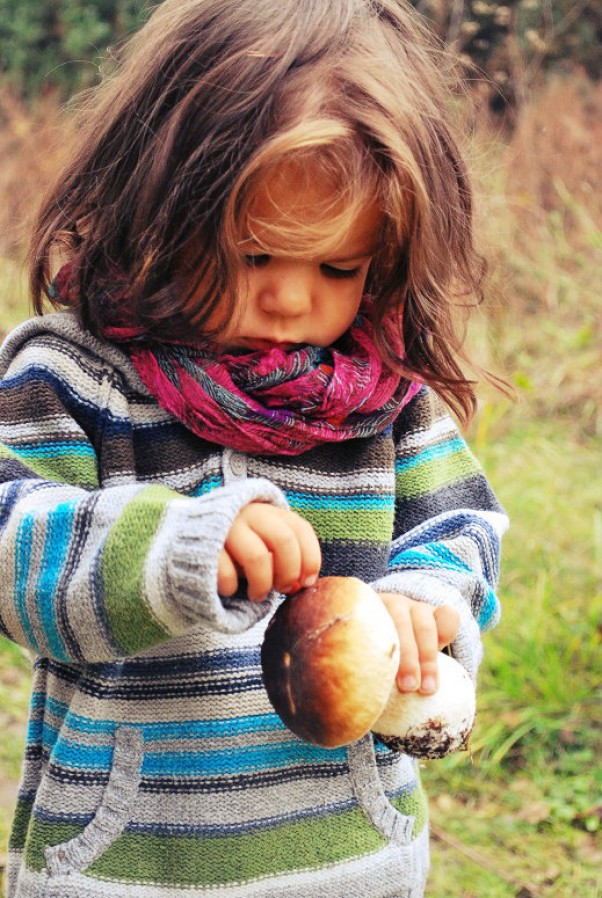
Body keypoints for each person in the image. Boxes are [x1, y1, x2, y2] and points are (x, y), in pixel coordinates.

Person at [0, 1, 509, 896]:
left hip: (352, 862)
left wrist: (427, 602)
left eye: (337, 268)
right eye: (254, 251)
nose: (289, 301)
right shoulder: (75, 378)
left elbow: (462, 529)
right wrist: (166, 547)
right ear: (158, 202)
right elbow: (14, 548)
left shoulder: (382, 402)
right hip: (126, 867)